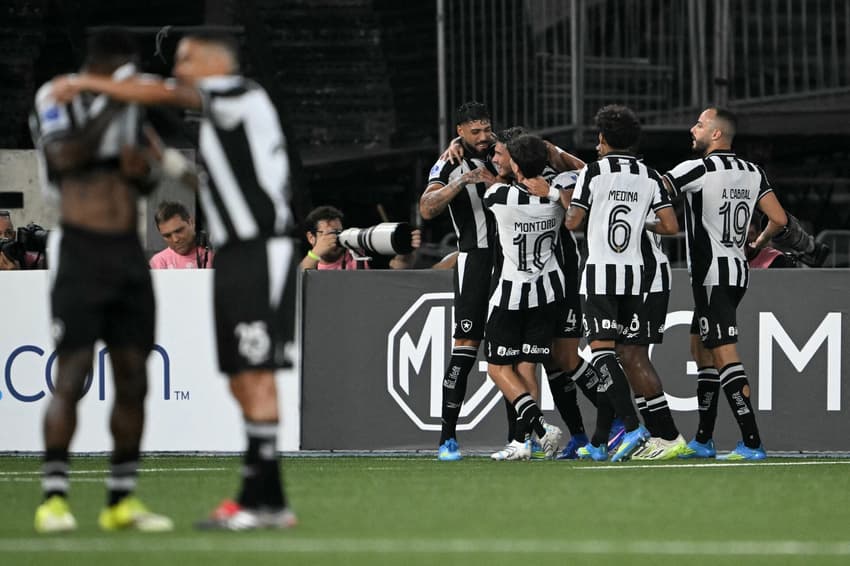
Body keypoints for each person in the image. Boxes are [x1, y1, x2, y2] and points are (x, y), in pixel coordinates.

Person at [55, 31, 298, 529]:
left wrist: (87, 82)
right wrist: (163, 161)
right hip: (235, 254)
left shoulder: (240, 92)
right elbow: (205, 178)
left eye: (187, 57)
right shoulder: (222, 120)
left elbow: (164, 93)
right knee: (239, 379)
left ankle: (262, 501)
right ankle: (263, 498)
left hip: (259, 249)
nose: (179, 67)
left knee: (256, 373)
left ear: (214, 61)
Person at [29, 29, 172, 533]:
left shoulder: (127, 106)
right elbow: (64, 160)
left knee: (135, 377)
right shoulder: (57, 96)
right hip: (81, 249)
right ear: (114, 67)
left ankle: (120, 500)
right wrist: (116, 101)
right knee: (73, 373)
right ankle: (54, 499)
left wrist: (144, 172)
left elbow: (146, 179)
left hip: (127, 252)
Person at [663, 107, 788, 461]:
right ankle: (703, 439)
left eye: (700, 124)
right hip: (735, 272)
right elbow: (778, 218)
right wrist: (757, 244)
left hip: (712, 276)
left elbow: (656, 190)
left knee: (722, 352)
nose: (693, 128)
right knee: (700, 350)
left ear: (716, 134)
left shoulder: (697, 169)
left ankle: (751, 441)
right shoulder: (752, 171)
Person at [565, 104, 679, 462]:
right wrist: (637, 224)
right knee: (620, 355)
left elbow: (573, 221)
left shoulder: (594, 173)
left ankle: (632, 428)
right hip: (634, 277)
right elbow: (671, 226)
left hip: (600, 272)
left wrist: (558, 198)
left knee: (602, 354)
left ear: (602, 139)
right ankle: (600, 441)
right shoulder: (649, 175)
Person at [419, 101, 497, 461]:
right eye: (475, 131)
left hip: (515, 262)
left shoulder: (502, 151)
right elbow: (427, 207)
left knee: (514, 349)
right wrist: (462, 180)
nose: (483, 137)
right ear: (460, 132)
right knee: (466, 345)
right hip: (476, 260)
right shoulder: (448, 163)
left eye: (486, 129)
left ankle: (523, 437)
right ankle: (447, 437)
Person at [482, 133, 564, 460]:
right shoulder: (558, 199)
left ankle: (541, 429)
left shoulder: (499, 196)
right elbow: (573, 205)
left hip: (511, 294)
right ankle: (521, 442)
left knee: (498, 368)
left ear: (514, 164)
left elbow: (494, 185)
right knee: (528, 366)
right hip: (547, 291)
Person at [621, 215, 688, 460]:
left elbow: (669, 224)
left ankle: (669, 436)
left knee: (633, 353)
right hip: (630, 275)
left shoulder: (644, 181)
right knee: (625, 356)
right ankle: (656, 436)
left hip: (649, 275)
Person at [300, 205, 421, 270]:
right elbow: (296, 283)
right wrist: (316, 252)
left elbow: (399, 267)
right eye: (329, 234)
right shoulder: (311, 264)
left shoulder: (360, 250)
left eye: (339, 232)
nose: (335, 238)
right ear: (311, 237)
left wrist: (406, 247)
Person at [149, 200, 213, 269]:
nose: (175, 239)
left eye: (179, 231)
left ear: (191, 222)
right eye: (167, 236)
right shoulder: (157, 263)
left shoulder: (213, 257)